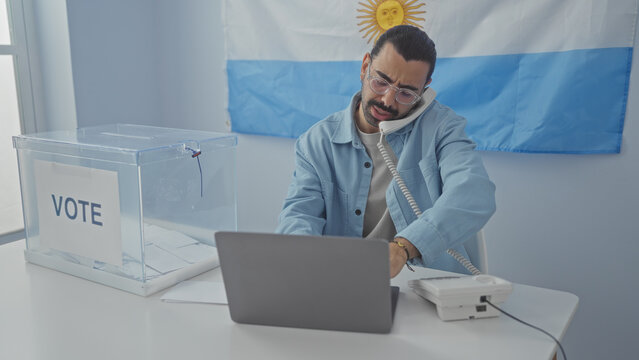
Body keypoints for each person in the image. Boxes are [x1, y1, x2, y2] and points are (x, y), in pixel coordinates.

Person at [275, 25, 496, 278]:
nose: (387, 101)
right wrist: (300, 259)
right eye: (381, 82)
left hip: (429, 285)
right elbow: (299, 214)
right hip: (345, 282)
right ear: (364, 66)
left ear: (424, 90)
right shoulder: (317, 141)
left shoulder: (443, 128)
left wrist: (404, 247)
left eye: (406, 93)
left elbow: (475, 193)